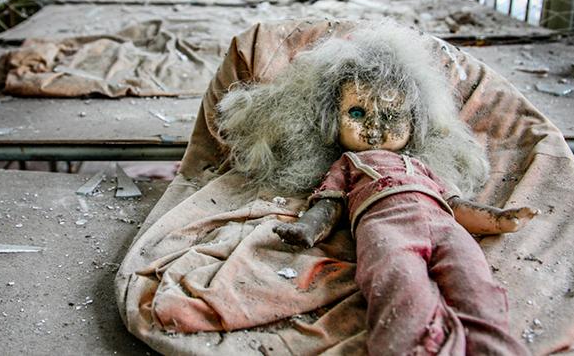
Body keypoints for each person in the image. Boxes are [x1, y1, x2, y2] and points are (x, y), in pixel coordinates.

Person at [217, 21, 536, 354]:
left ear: (417, 122)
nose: (374, 128)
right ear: (330, 119)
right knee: (399, 288)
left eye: (392, 115)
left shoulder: (422, 167)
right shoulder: (347, 166)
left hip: (444, 226)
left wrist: (500, 219)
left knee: (475, 282)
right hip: (386, 232)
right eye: (357, 112)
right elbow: (327, 206)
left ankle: (493, 346)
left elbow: (454, 206)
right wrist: (307, 229)